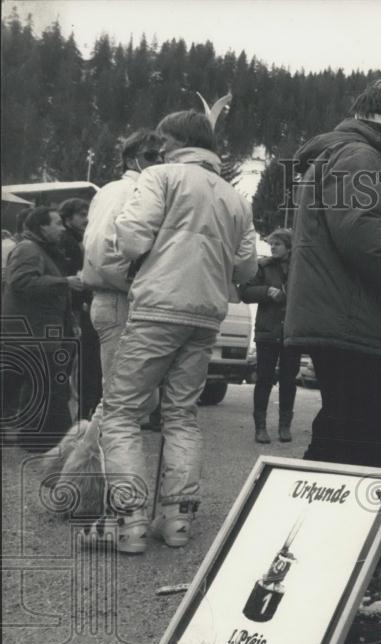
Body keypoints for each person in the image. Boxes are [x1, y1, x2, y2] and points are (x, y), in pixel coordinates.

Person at [97, 110, 257, 554]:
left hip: (157, 307)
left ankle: (128, 522)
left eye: (163, 139)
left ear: (176, 139)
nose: (159, 146)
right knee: (181, 415)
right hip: (207, 314)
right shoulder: (235, 198)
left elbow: (130, 238)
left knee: (123, 413)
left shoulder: (160, 176)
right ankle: (177, 521)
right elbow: (247, 266)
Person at [284, 80, 381, 468]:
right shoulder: (360, 156)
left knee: (341, 433)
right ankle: (306, 517)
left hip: (337, 318)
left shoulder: (341, 152)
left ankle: (304, 516)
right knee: (371, 441)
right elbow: (361, 230)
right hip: (345, 321)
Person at [81, 129, 165, 426]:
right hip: (119, 299)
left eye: (161, 156)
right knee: (122, 402)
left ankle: (98, 463)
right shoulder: (128, 191)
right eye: (150, 156)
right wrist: (134, 286)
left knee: (137, 400)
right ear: (131, 160)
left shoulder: (117, 190)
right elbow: (101, 250)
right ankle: (88, 466)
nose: (158, 162)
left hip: (119, 299)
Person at [1, 207, 87, 449]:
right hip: (33, 331)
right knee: (46, 386)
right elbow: (20, 282)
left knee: (41, 386)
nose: (62, 228)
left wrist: (70, 319)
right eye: (57, 223)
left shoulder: (40, 249)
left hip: (38, 330)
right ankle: (46, 441)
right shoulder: (29, 249)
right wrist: (64, 282)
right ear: (41, 227)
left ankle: (39, 440)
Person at [240, 228, 300, 443]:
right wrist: (266, 292)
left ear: (289, 247)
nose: (272, 247)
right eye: (271, 244)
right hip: (267, 332)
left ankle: (285, 426)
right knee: (263, 380)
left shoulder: (300, 269)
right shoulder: (263, 267)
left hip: (291, 333)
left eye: (277, 244)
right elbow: (244, 293)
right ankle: (260, 427)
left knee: (288, 380)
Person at [58, 198, 102, 421]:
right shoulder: (66, 240)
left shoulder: (79, 238)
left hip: (80, 307)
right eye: (81, 214)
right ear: (67, 217)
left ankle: (82, 414)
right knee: (74, 362)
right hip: (74, 309)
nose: (86, 219)